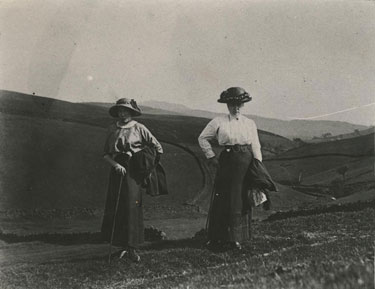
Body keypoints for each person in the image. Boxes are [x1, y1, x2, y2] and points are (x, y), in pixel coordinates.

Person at [198, 87, 263, 251]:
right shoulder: (218, 122)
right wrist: (211, 156)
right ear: (227, 105)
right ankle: (217, 237)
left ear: (243, 105)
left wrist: (257, 164)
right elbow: (203, 138)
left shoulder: (249, 123)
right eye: (232, 104)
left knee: (240, 198)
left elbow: (255, 144)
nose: (236, 107)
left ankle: (237, 238)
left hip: (245, 162)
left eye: (239, 104)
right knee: (224, 198)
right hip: (227, 161)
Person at [101, 98, 164, 262]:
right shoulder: (111, 129)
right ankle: (121, 246)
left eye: (126, 111)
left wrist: (138, 158)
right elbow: (105, 154)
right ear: (117, 113)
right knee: (118, 206)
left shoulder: (139, 128)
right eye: (121, 111)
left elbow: (157, 148)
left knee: (131, 206)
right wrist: (115, 164)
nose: (123, 114)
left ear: (132, 112)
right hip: (117, 170)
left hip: (133, 171)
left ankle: (132, 248)